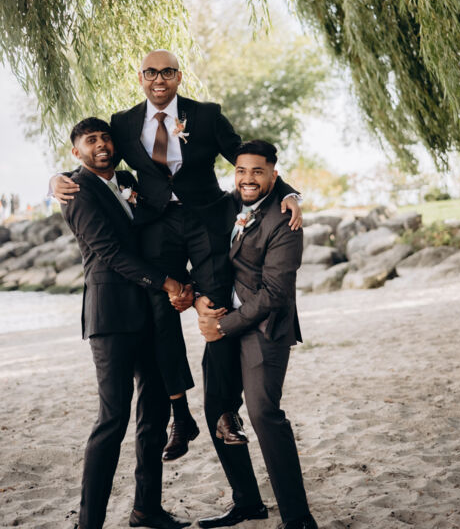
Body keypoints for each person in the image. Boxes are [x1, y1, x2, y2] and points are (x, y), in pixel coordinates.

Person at [51, 50, 302, 460]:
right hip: (155, 225)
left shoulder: (206, 115)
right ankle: (180, 415)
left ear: (178, 77)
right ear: (140, 78)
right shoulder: (123, 123)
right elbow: (98, 163)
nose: (159, 79)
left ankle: (226, 410)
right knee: (159, 313)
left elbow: (246, 158)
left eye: (167, 72)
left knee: (217, 306)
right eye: (151, 72)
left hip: (206, 220)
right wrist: (56, 179)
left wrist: (288, 192)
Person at [60, 117, 194, 529]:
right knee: (113, 418)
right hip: (111, 316)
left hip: (150, 313)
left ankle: (146, 509)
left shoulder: (127, 180)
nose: (101, 144)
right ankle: (89, 523)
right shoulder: (76, 192)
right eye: (91, 140)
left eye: (105, 137)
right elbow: (110, 252)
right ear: (77, 151)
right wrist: (169, 282)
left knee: (153, 414)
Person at [197, 140, 319, 529]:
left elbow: (275, 294)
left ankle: (298, 518)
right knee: (218, 412)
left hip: (263, 329)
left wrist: (223, 326)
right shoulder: (230, 203)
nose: (248, 179)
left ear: (273, 175)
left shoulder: (285, 220)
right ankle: (247, 502)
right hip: (222, 322)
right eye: (241, 171)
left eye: (257, 172)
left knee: (264, 414)